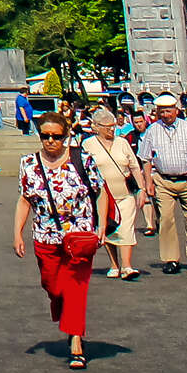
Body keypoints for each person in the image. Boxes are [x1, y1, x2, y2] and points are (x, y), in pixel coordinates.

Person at [13, 114, 110, 372]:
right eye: (45, 136)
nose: (51, 141)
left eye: (56, 136)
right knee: (53, 287)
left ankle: (76, 342)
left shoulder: (82, 159)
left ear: (66, 136)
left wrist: (101, 224)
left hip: (79, 235)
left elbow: (100, 191)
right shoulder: (28, 163)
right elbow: (25, 199)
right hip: (45, 235)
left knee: (76, 288)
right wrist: (17, 233)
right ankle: (67, 317)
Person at [135, 93, 187, 274]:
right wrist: (148, 182)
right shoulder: (152, 130)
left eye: (168, 111)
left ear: (176, 110)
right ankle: (171, 259)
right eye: (162, 112)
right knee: (166, 219)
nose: (166, 115)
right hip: (164, 180)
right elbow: (145, 159)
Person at [80, 108, 144, 279]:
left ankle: (127, 266)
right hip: (103, 197)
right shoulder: (88, 144)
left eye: (113, 126)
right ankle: (115, 265)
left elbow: (134, 166)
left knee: (126, 229)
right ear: (96, 127)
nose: (111, 129)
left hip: (126, 195)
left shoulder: (122, 142)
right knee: (110, 229)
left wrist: (141, 189)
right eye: (107, 126)